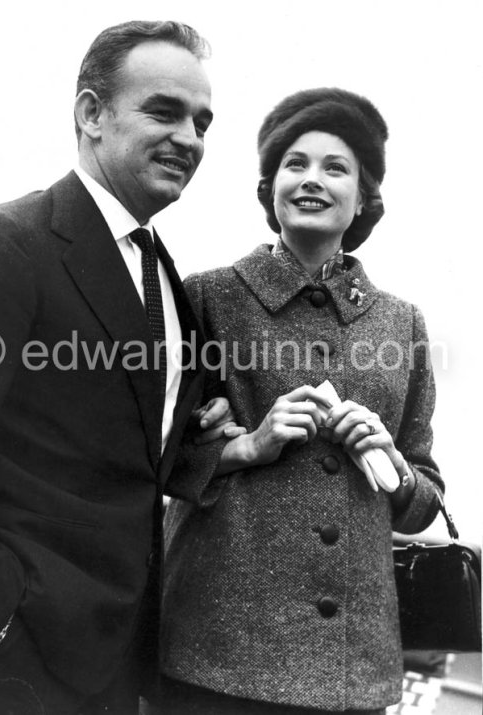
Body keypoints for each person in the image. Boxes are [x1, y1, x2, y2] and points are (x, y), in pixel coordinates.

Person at [0, 20, 234, 715]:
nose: (189, 138)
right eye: (163, 110)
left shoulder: (162, 275)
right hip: (9, 664)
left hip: (116, 661)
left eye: (202, 122)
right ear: (91, 114)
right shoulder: (5, 244)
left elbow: (124, 447)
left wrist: (211, 442)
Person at [157, 88, 444, 715]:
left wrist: (392, 463)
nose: (312, 180)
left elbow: (424, 501)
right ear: (270, 189)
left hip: (352, 671)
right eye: (295, 164)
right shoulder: (203, 299)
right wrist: (249, 445)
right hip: (215, 657)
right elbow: (154, 461)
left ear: (365, 197)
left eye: (335, 167)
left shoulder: (403, 324)